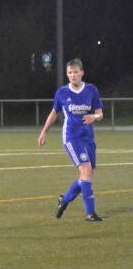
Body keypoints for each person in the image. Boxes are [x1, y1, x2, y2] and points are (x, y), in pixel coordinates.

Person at [38, 58, 104, 222]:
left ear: (82, 73)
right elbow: (54, 113)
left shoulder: (91, 90)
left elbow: (100, 114)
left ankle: (65, 200)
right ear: (67, 75)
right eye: (70, 73)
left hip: (88, 137)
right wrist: (44, 131)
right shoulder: (62, 93)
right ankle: (90, 213)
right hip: (71, 137)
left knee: (86, 177)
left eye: (76, 72)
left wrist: (93, 117)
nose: (73, 75)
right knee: (86, 171)